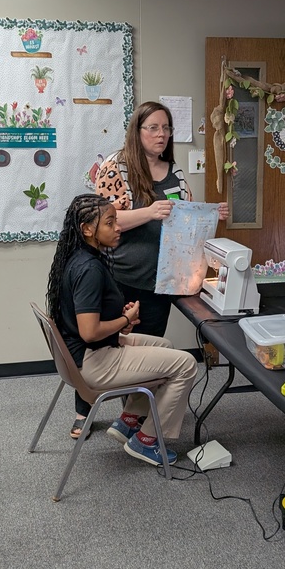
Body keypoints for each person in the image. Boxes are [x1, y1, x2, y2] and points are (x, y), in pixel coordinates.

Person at [46, 194, 198, 466]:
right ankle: (147, 441)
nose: (117, 228)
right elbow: (90, 332)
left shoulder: (78, 257)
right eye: (110, 222)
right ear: (87, 229)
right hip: (93, 361)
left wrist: (119, 318)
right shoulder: (89, 268)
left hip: (81, 356)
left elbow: (87, 316)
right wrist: (125, 319)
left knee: (163, 347)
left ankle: (128, 422)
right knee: (186, 364)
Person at [95, 100, 228, 338]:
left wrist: (211, 214)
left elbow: (186, 216)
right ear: (137, 131)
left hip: (161, 281)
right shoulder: (115, 167)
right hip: (122, 278)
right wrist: (150, 212)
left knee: (152, 347)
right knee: (119, 349)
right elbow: (102, 222)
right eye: (153, 128)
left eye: (166, 128)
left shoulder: (173, 170)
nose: (162, 134)